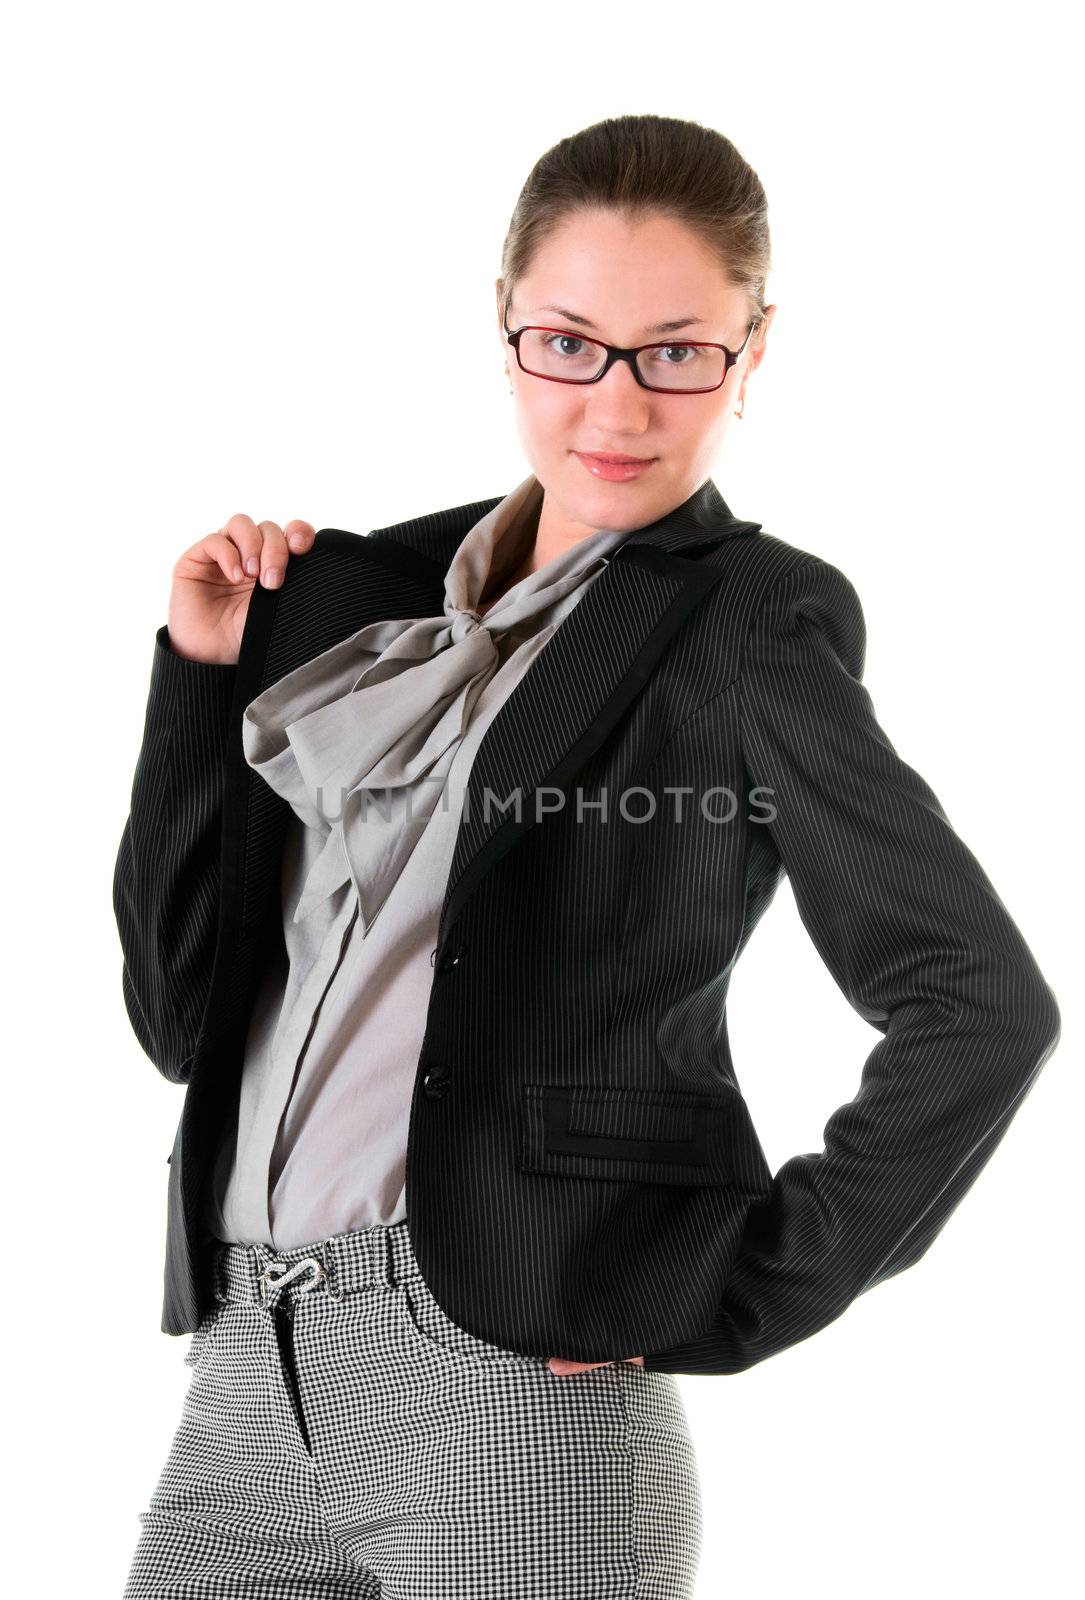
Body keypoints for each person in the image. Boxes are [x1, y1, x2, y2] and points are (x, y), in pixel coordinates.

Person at [117, 114, 1060, 1599]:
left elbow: (976, 1002)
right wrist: (196, 677)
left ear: (752, 354)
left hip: (510, 1391)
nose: (616, 404)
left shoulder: (745, 624)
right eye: (570, 342)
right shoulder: (353, 608)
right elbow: (180, 1017)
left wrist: (729, 1291)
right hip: (248, 1373)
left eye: (675, 351)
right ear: (505, 336)